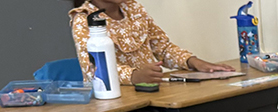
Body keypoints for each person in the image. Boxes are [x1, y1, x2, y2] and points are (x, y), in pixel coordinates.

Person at [70, 0, 234, 86]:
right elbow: (94, 69)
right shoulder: (83, 19)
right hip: (117, 103)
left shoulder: (134, 8)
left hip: (153, 93)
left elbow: (163, 48)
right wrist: (135, 76)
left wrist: (193, 61)